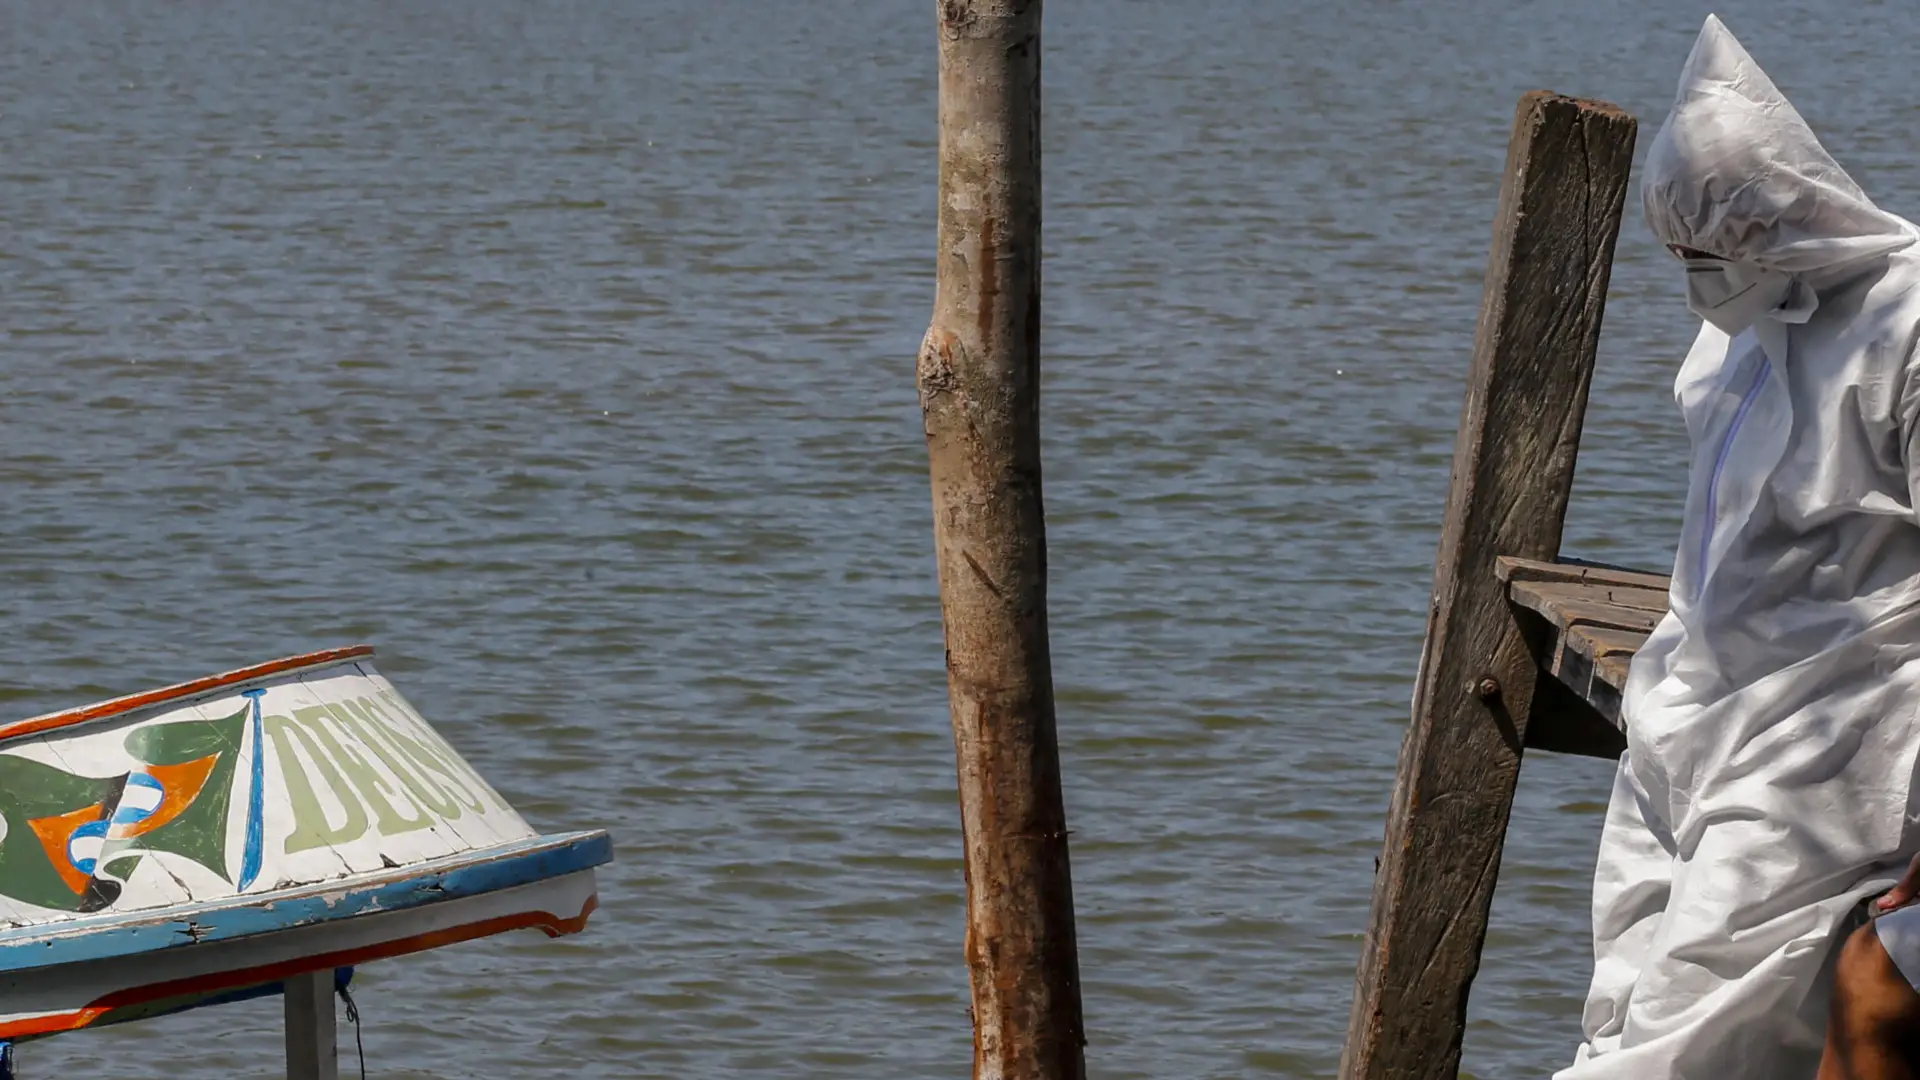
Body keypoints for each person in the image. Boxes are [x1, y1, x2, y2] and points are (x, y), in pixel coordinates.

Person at [1559, 15, 1920, 1080]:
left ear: (1777, 215)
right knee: (1626, 983)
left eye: (1712, 252)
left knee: (1704, 1008)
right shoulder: (1738, 333)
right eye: (1681, 257)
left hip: (1835, 726)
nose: (1701, 280)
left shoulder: (1905, 326)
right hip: (1689, 703)